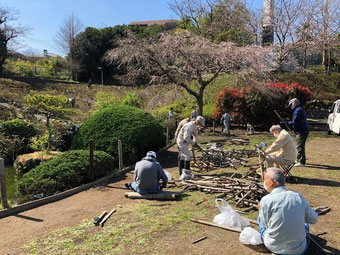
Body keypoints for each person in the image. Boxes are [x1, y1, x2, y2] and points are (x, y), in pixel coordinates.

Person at [258, 167, 318, 255]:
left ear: (271, 182)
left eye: (264, 179)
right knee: (305, 224)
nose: (264, 182)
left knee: (260, 218)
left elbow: (267, 226)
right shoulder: (298, 197)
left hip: (274, 247)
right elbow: (314, 219)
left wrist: (260, 210)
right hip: (299, 250)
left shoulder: (266, 200)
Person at [285, 98, 309, 167]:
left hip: (301, 131)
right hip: (301, 130)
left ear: (294, 104)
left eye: (291, 104)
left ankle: (301, 162)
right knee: (299, 146)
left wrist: (286, 123)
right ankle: (298, 159)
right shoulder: (299, 109)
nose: (291, 106)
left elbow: (295, 122)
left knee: (300, 147)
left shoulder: (298, 111)